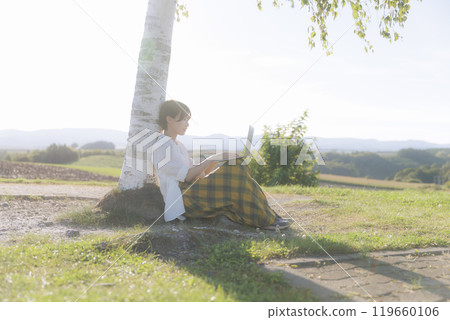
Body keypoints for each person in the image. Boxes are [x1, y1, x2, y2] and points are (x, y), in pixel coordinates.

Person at [152, 100, 291, 230]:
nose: (187, 124)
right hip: (183, 198)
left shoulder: (179, 145)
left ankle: (266, 214)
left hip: (191, 189)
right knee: (235, 170)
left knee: (236, 165)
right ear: (169, 119)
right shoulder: (162, 146)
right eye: (183, 119)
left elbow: (199, 174)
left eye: (188, 120)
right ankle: (264, 219)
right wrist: (214, 158)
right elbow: (188, 176)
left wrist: (220, 161)